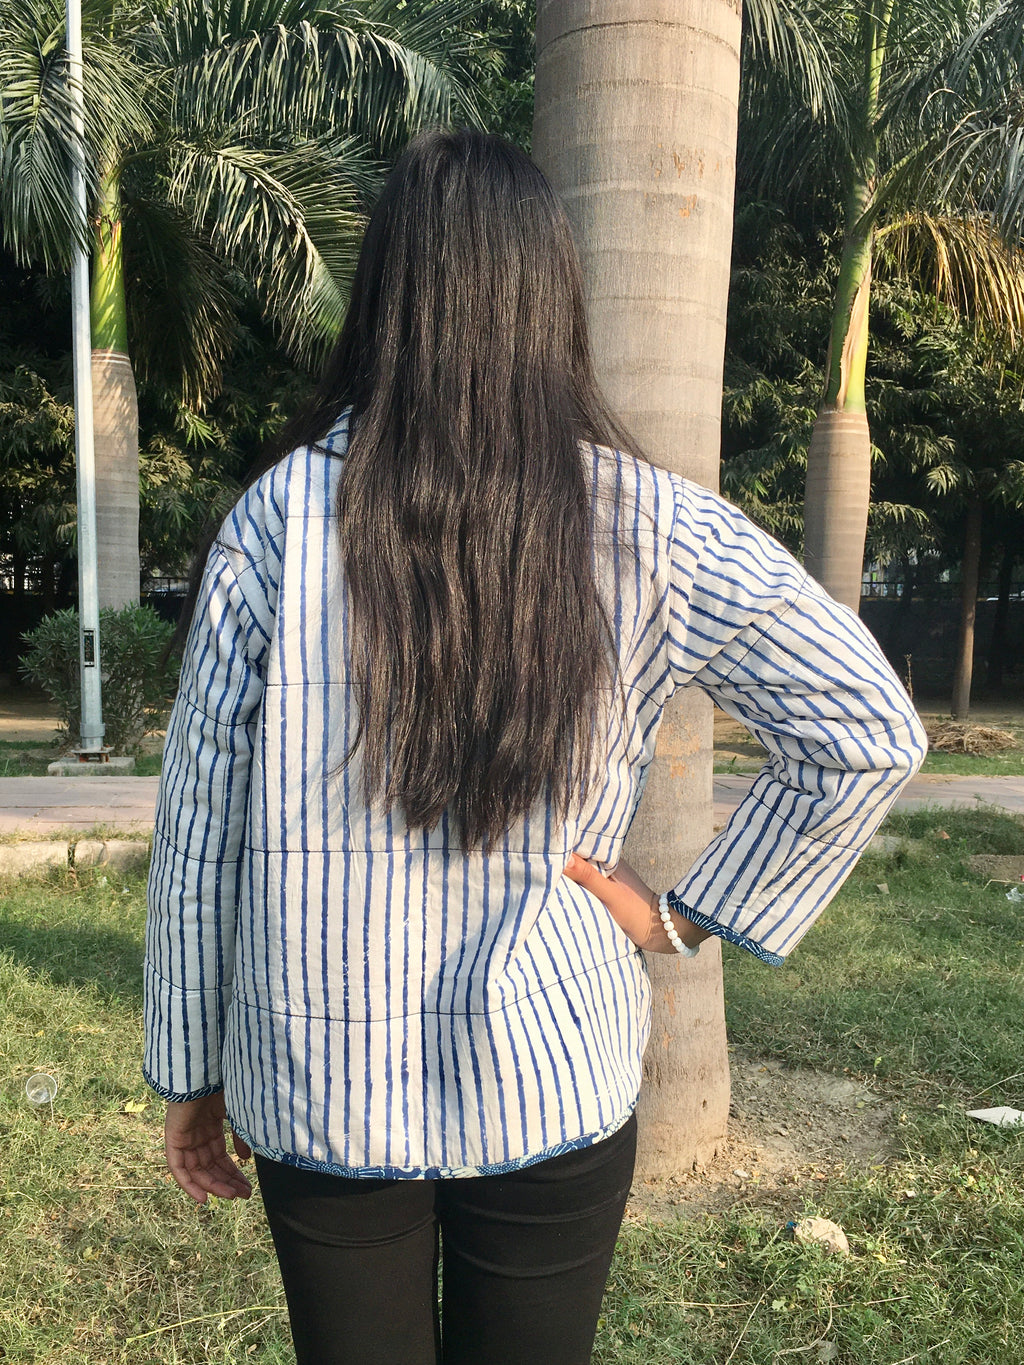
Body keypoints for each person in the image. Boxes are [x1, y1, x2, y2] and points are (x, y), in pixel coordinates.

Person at [143, 128, 927, 1365]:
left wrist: (189, 1069)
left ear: (388, 294)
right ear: (549, 291)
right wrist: (678, 916)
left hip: (312, 1075)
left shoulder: (277, 519)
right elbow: (866, 729)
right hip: (552, 1069)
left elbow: (198, 835)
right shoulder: (651, 521)